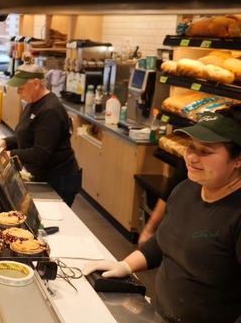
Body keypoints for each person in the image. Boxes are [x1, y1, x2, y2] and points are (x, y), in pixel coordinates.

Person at [83, 108, 241, 323]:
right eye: (191, 147)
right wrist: (126, 265)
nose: (192, 157)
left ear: (238, 159)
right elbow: (165, 240)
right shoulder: (186, 189)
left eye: (206, 151)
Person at [0, 64, 81, 206]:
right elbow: (25, 135)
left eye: (21, 88)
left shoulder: (50, 110)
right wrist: (5, 142)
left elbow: (40, 153)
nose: (18, 92)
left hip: (58, 180)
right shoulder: (31, 103)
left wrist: (6, 154)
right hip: (42, 175)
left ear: (36, 84)